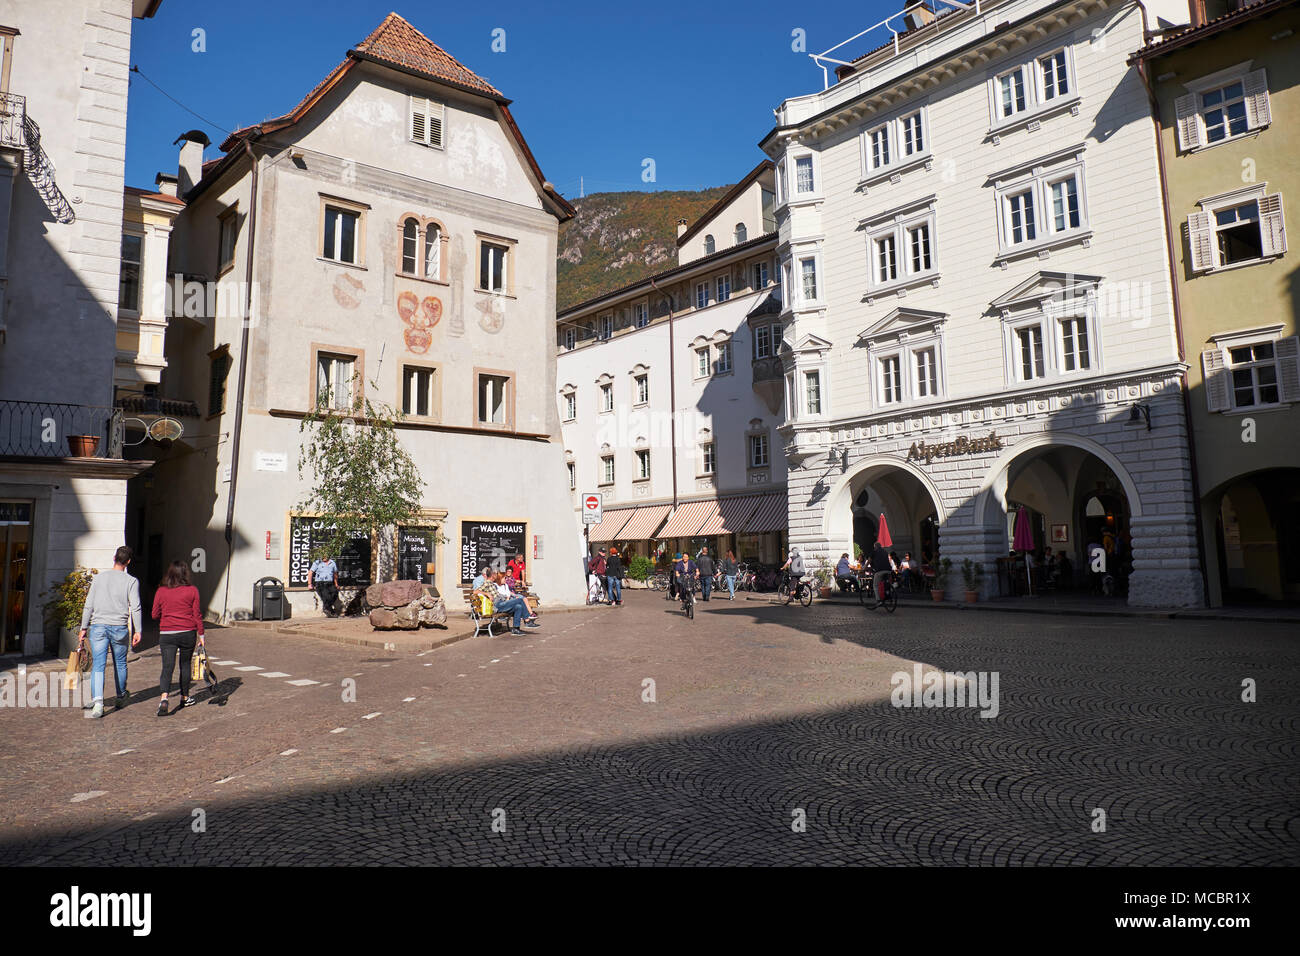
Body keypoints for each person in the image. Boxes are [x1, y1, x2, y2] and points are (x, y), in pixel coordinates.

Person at [77, 546, 142, 718]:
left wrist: (83, 628)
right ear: (128, 562)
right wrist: (138, 630)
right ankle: (120, 696)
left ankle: (98, 703)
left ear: (114, 558)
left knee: (98, 664)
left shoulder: (99, 578)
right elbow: (136, 607)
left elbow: (88, 604)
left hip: (98, 626)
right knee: (120, 663)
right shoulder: (131, 581)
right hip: (119, 627)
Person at [152, 559, 204, 716]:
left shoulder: (161, 591)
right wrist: (201, 634)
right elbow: (197, 614)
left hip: (167, 633)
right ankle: (185, 697)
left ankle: (164, 698)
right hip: (188, 632)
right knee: (185, 665)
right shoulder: (192, 590)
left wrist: (166, 614)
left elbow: (154, 614)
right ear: (185, 574)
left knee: (167, 667)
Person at [309, 551, 340, 617]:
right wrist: (310, 584)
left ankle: (327, 608)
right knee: (327, 597)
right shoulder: (317, 562)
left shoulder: (332, 563)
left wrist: (336, 584)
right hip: (320, 583)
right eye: (323, 555)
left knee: (335, 594)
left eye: (326, 555)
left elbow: (335, 574)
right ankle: (329, 610)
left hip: (330, 583)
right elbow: (310, 573)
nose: (324, 556)